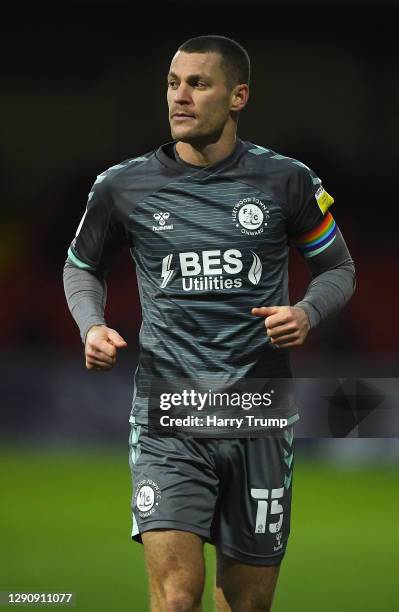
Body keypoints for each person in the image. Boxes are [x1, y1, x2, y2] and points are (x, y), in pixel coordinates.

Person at [63, 35, 355, 612]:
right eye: (174, 83)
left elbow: (338, 269)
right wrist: (90, 325)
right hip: (168, 417)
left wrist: (306, 310)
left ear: (238, 96)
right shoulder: (122, 185)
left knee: (245, 606)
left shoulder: (287, 181)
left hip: (260, 416)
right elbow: (81, 268)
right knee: (176, 599)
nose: (180, 97)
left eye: (199, 84)